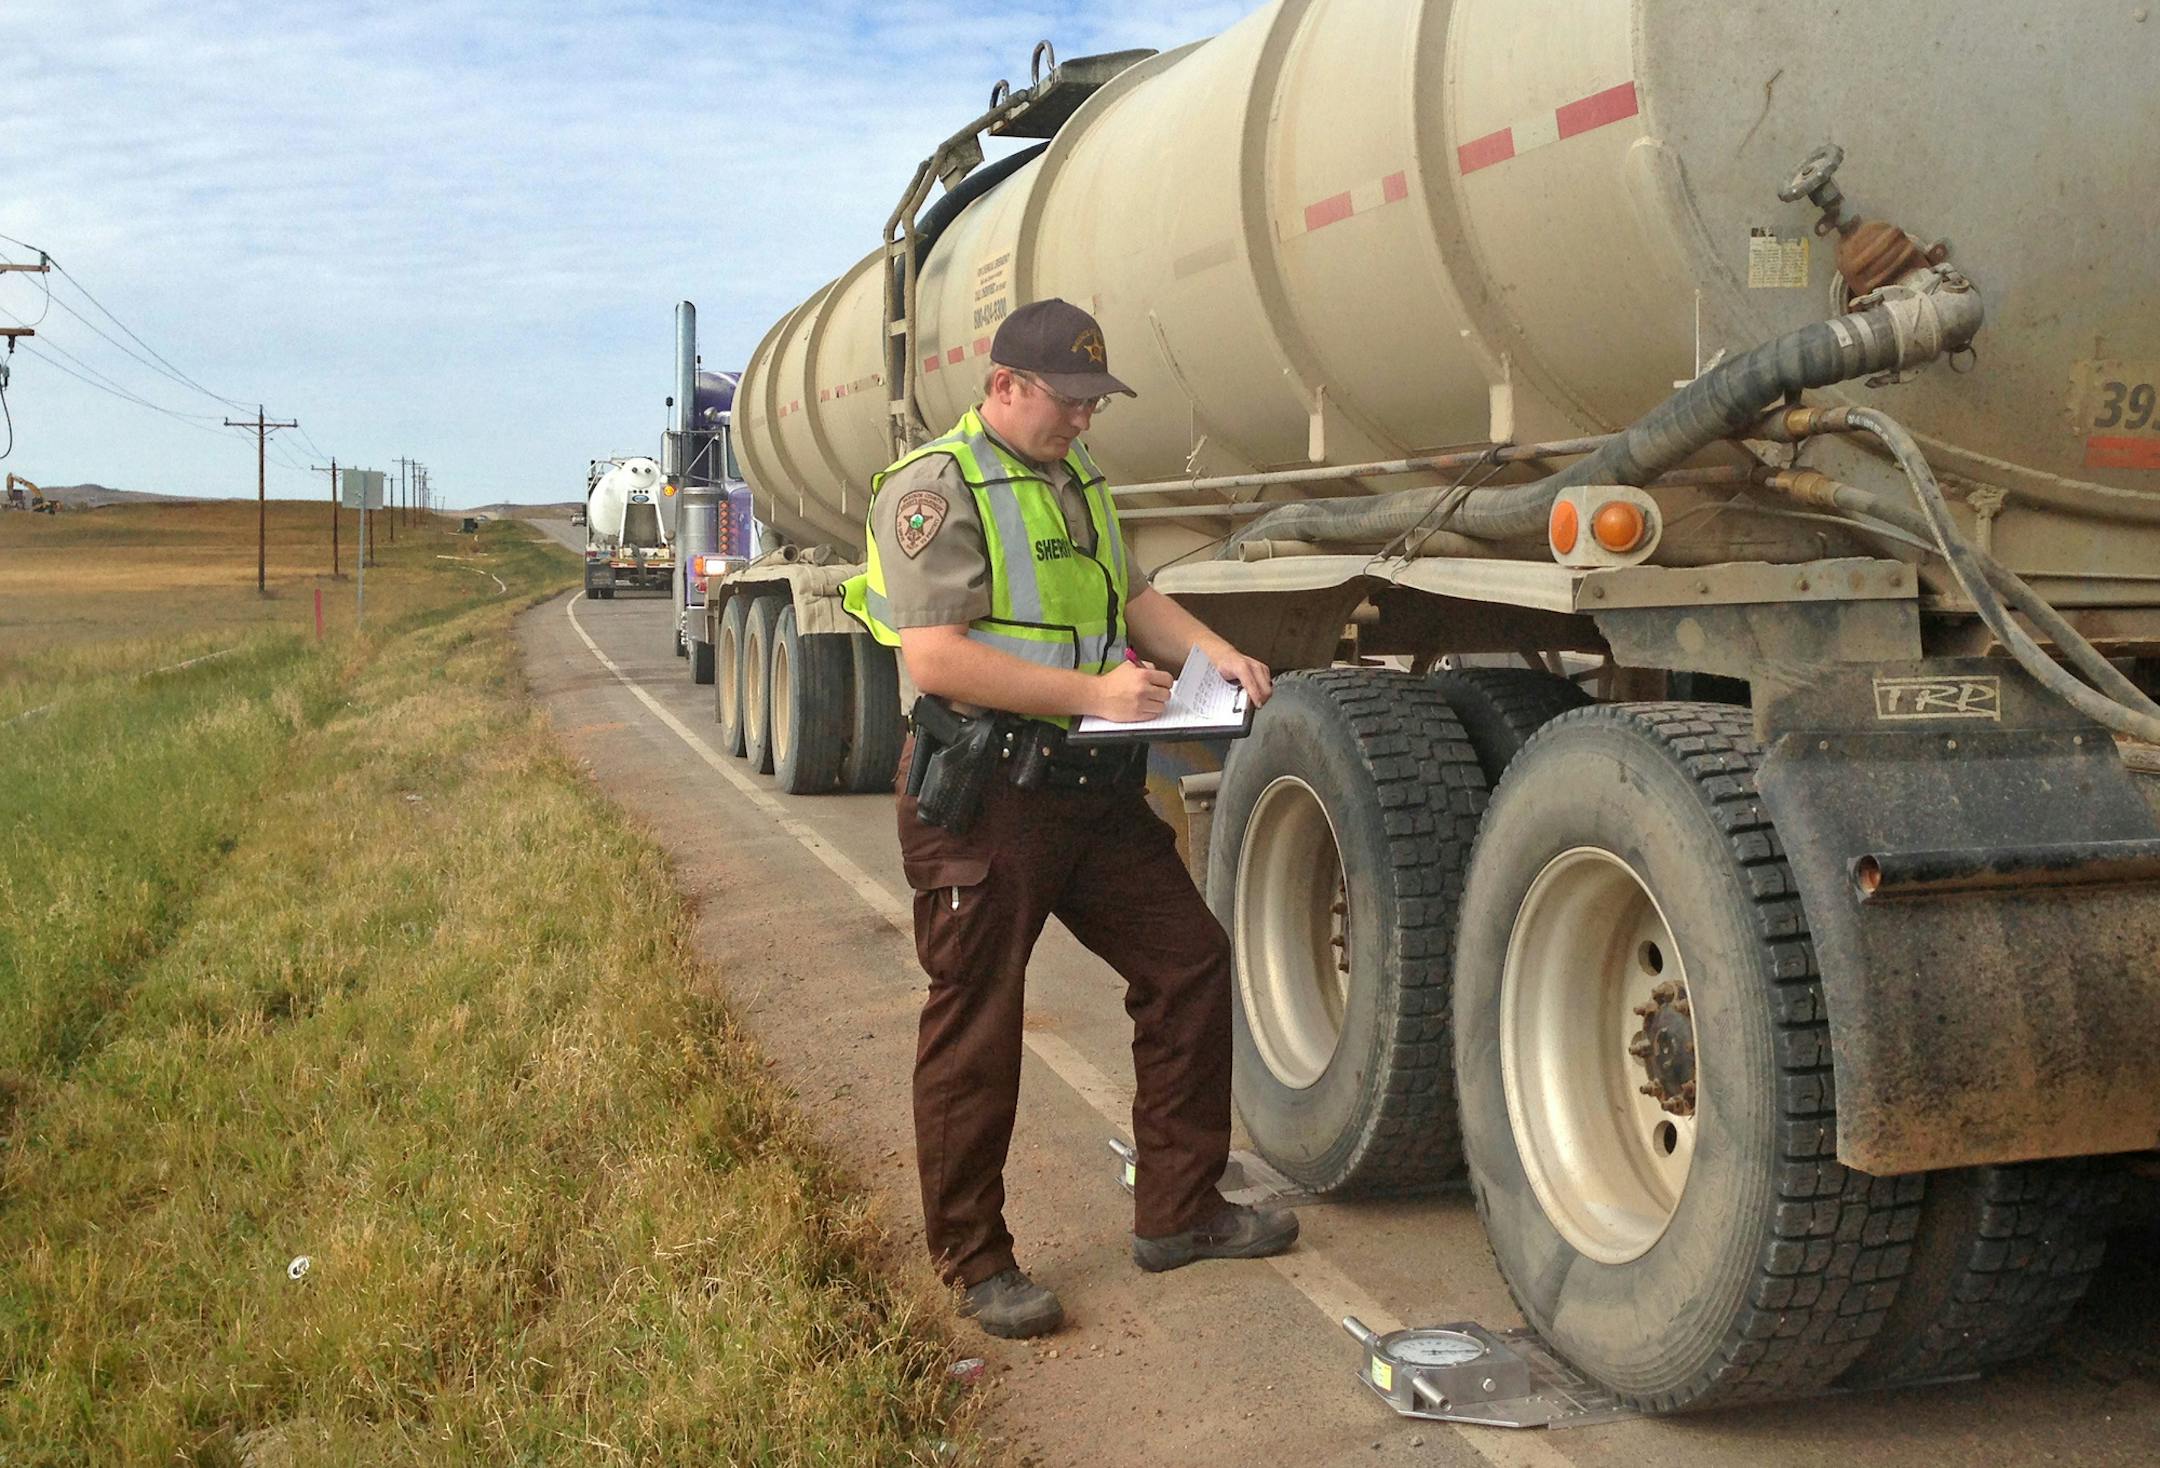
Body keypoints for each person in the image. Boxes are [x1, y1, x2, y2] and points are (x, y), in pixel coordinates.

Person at [842, 298, 1300, 1339]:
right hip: (985, 794)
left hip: (1086, 792)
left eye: (1096, 403)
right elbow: (935, 656)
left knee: (1187, 960)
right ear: (1004, 386)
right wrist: (1098, 696)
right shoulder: (936, 490)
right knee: (978, 1015)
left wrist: (1210, 652)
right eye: (1070, 402)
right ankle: (973, 1261)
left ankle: (1179, 1211)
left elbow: (1131, 597)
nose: (1085, 422)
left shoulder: (1076, 478)